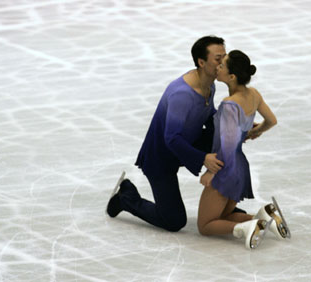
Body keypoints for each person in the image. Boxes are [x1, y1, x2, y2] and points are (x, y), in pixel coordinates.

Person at [106, 36, 247, 232]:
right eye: (218, 58)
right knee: (174, 221)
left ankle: (220, 204)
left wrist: (235, 124)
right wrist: (203, 157)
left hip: (186, 144)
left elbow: (208, 116)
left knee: (227, 142)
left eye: (224, 57)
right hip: (161, 158)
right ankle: (126, 198)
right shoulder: (182, 94)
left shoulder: (209, 84)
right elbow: (171, 138)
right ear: (201, 61)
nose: (223, 62)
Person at [197, 50, 282, 249]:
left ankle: (246, 228)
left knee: (205, 225)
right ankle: (263, 218)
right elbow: (271, 120)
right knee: (224, 215)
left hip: (226, 165)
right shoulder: (253, 94)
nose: (217, 67)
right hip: (240, 166)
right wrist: (253, 132)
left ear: (232, 77)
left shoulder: (229, 105)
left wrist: (211, 171)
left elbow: (227, 145)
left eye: (222, 66)